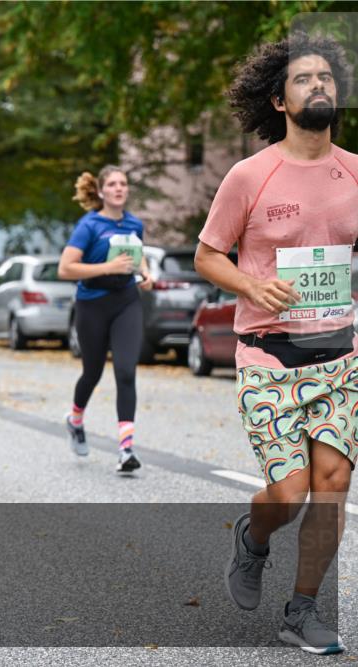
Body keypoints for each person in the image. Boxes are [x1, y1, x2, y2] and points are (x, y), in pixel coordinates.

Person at [195, 33, 356, 655]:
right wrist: (253, 285)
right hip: (268, 357)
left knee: (333, 482)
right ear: (279, 101)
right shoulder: (250, 176)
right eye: (303, 79)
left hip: (341, 356)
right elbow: (209, 256)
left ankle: (304, 609)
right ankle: (253, 539)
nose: (318, 86)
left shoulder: (357, 173)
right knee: (288, 493)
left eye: (326, 78)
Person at [57, 165, 153, 473]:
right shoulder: (89, 225)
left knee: (125, 372)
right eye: (112, 184)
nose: (119, 188)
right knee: (93, 372)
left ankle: (126, 449)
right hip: (92, 305)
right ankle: (75, 420)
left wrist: (146, 272)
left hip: (126, 301)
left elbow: (139, 253)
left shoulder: (134, 223)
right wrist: (106, 269)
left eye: (123, 183)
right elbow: (65, 268)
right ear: (101, 191)